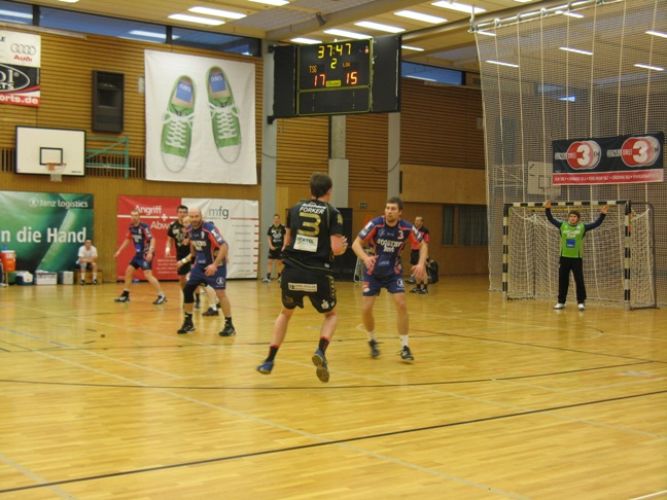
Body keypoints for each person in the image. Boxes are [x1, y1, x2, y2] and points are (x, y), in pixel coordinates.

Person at [256, 173, 348, 382]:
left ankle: (269, 359)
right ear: (329, 191)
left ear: (310, 190)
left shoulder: (295, 209)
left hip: (293, 272)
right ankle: (321, 350)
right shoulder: (333, 213)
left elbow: (287, 242)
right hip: (318, 274)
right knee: (331, 315)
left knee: (285, 313)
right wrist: (342, 248)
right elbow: (335, 248)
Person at [351, 197, 427, 362]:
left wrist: (421, 264)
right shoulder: (376, 224)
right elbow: (356, 244)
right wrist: (365, 258)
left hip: (393, 272)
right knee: (366, 308)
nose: (389, 211)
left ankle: (405, 347)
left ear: (400, 213)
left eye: (393, 209)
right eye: (387, 208)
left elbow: (423, 245)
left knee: (401, 304)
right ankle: (372, 340)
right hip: (373, 271)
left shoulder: (406, 227)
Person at [176, 207, 236, 336]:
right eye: (192, 217)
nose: (194, 219)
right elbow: (194, 251)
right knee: (188, 289)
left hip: (216, 266)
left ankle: (229, 325)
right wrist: (184, 260)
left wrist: (214, 265)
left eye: (196, 216)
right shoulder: (190, 230)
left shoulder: (209, 228)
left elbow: (224, 246)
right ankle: (188, 323)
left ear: (201, 216)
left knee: (220, 293)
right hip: (200, 266)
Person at [544, 201, 608, 311]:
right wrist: (547, 209)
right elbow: (551, 219)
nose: (572, 218)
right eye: (571, 216)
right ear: (568, 218)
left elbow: (596, 224)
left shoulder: (582, 227)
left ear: (578, 218)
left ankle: (581, 302)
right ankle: (561, 302)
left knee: (579, 280)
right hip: (564, 258)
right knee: (563, 280)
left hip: (576, 259)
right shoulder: (562, 225)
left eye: (574, 216)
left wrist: (602, 214)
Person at [113, 209, 167, 304]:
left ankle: (161, 295)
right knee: (129, 271)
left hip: (145, 254)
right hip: (138, 255)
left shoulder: (144, 227)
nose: (134, 217)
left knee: (148, 275)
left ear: (139, 217)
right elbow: (127, 239)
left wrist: (150, 252)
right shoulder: (131, 227)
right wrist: (119, 251)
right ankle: (125, 295)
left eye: (136, 215)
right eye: (132, 215)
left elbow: (152, 239)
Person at [409, 216, 430, 294]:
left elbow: (426, 243)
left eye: (418, 221)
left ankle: (425, 288)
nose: (416, 222)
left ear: (422, 222)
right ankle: (418, 287)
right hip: (414, 251)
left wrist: (426, 255)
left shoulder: (425, 231)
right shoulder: (413, 230)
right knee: (416, 270)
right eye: (415, 220)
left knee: (423, 270)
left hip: (421, 251)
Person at [263, 214, 286, 283]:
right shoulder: (270, 227)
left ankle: (280, 277)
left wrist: (284, 246)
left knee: (279, 263)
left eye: (277, 218)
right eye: (275, 218)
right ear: (273, 219)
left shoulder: (282, 227)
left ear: (279, 219)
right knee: (269, 262)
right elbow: (269, 238)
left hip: (280, 248)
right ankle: (268, 277)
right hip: (272, 248)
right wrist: (270, 246)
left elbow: (285, 237)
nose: (276, 220)